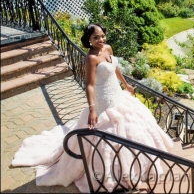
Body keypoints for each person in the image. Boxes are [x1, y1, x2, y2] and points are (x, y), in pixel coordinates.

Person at [11, 23, 174, 193]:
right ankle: (127, 177)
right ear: (89, 39)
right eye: (96, 37)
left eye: (103, 35)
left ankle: (141, 166)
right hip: (104, 100)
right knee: (115, 136)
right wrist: (92, 109)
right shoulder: (91, 58)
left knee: (134, 130)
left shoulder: (108, 48)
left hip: (118, 94)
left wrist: (126, 84)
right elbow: (89, 85)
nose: (101, 40)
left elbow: (115, 68)